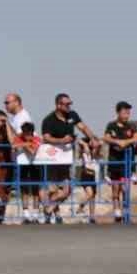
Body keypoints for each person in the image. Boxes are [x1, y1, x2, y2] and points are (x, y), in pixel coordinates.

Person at [39, 93, 97, 224]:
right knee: (53, 189)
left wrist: (92, 138)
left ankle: (48, 209)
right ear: (58, 105)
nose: (69, 106)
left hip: (66, 158)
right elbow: (46, 137)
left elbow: (83, 127)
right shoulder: (48, 120)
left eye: (70, 104)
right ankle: (55, 214)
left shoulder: (72, 115)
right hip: (53, 158)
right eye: (66, 104)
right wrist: (62, 140)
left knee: (67, 190)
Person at [103, 101, 137, 224]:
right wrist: (118, 142)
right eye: (124, 112)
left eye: (128, 113)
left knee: (125, 189)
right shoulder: (111, 125)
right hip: (114, 161)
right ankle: (116, 212)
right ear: (118, 112)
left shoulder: (131, 126)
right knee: (115, 188)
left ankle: (126, 212)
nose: (127, 115)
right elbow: (106, 138)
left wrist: (126, 142)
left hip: (127, 162)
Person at [12, 120, 44, 219]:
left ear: (32, 132)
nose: (26, 136)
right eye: (24, 134)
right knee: (24, 189)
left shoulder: (37, 139)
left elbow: (32, 151)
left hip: (35, 165)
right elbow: (13, 146)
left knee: (35, 189)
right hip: (23, 165)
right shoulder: (18, 138)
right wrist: (26, 144)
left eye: (28, 134)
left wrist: (23, 145)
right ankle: (25, 213)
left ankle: (35, 212)